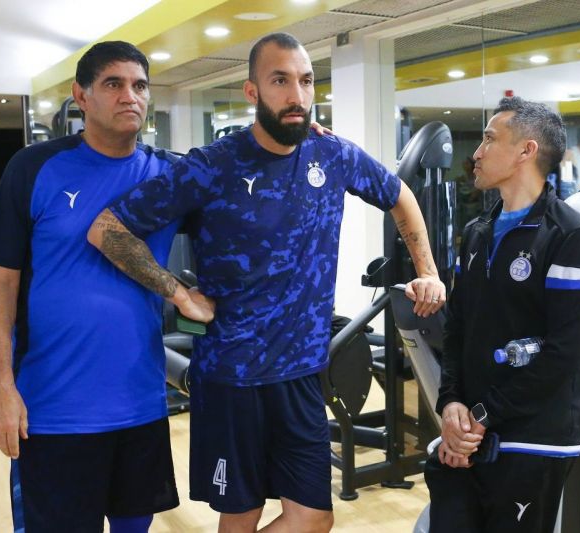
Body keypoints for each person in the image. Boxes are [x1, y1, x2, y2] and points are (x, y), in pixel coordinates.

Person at [87, 32, 447, 533]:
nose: (297, 95)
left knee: (314, 517)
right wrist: (178, 294)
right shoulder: (212, 165)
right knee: (242, 516)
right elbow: (106, 230)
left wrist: (428, 271)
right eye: (280, 81)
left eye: (306, 80)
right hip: (232, 379)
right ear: (252, 91)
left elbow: (399, 195)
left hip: (301, 375)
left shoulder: (332, 154)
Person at [0, 41, 207, 533]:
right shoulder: (35, 167)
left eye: (140, 86)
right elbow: (0, 282)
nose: (130, 96)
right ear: (81, 96)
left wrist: (304, 138)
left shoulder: (168, 175)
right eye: (114, 84)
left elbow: (244, 181)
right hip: (53, 408)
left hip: (140, 403)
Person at [425, 96, 580, 533]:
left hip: (532, 441)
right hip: (468, 435)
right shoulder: (477, 233)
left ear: (526, 150)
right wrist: (451, 405)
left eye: (489, 139)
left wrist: (480, 418)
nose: (477, 153)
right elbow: (457, 329)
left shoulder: (573, 238)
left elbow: (563, 356)